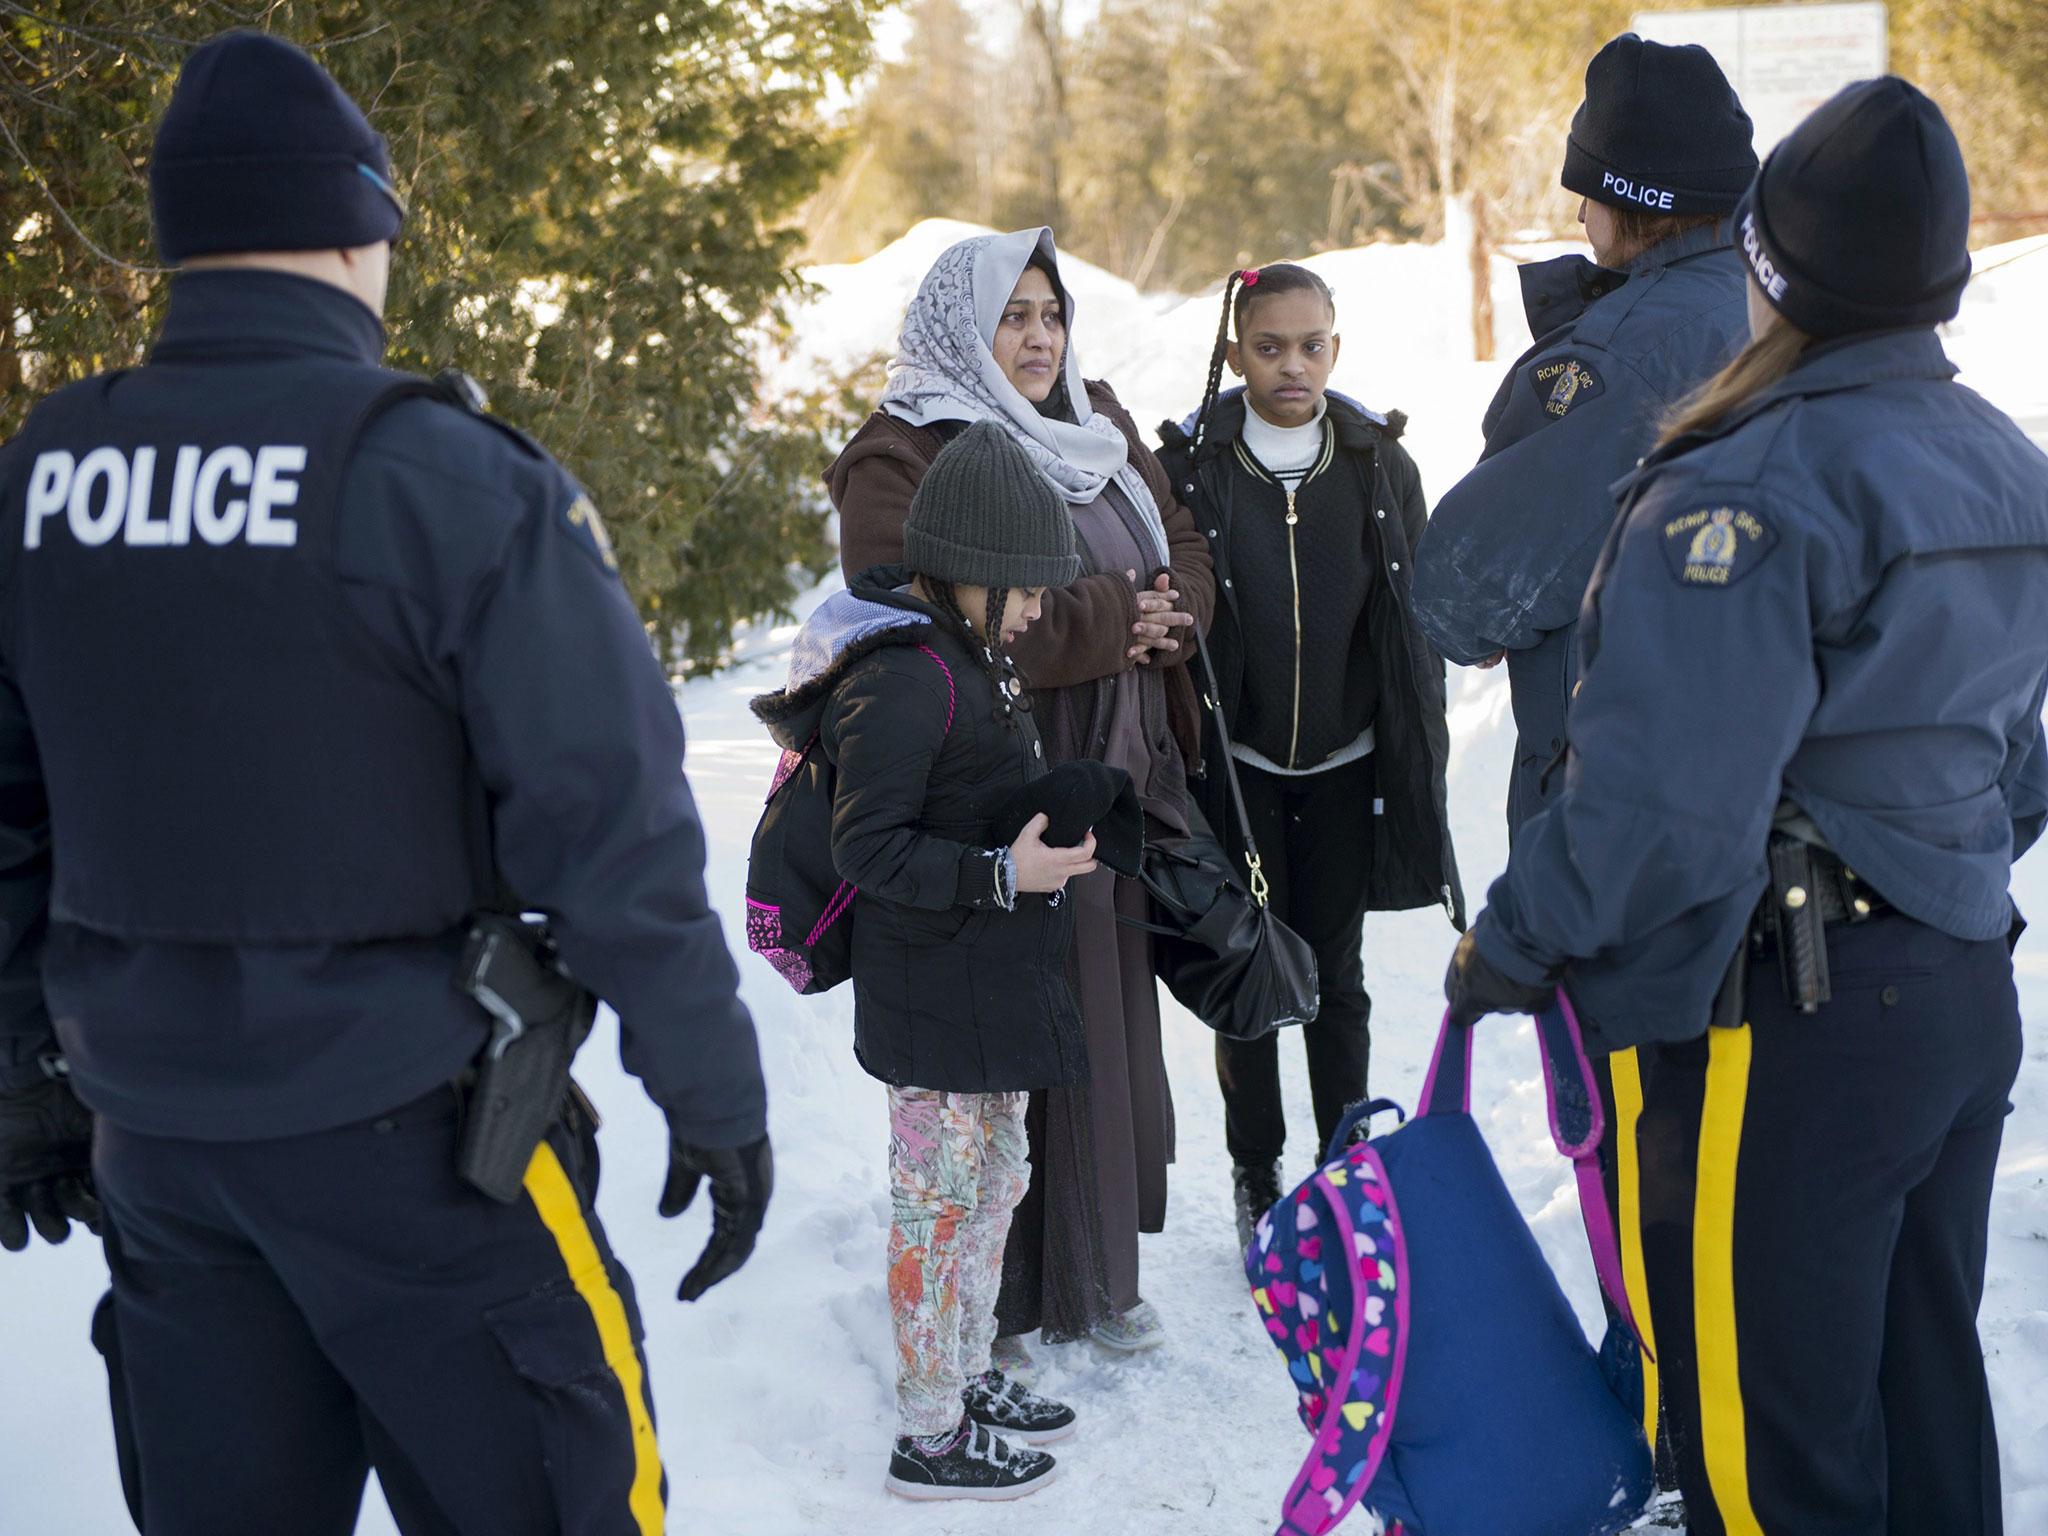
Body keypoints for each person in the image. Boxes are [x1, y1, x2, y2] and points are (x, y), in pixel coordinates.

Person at [0, 32, 772, 1535]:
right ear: (364, 230)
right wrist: (713, 1093)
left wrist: (18, 1073)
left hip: (160, 1152)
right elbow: (609, 832)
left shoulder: (47, 478)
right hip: (427, 1152)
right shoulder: (444, 479)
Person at [1445, 76, 2048, 1536]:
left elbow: (1665, 808)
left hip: (1790, 1024)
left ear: (1771, 258)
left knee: (1765, 1458)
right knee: (1920, 1420)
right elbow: (2018, 768)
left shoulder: (1754, 480)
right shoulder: (2006, 464)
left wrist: (1515, 939)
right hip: (1958, 995)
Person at [828, 228, 1215, 1361]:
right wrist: (1117, 619)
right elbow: (915, 600)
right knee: (1003, 1036)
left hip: (1107, 772)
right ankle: (991, 1301)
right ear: (962, 325)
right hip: (992, 791)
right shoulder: (904, 446)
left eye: (1051, 314)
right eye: (1014, 315)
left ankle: (1094, 1274)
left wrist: (1174, 610)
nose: (1039, 337)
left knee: (1100, 1019)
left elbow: (1177, 536)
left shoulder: (1095, 424)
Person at [756, 422, 1101, 1500]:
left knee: (996, 1179)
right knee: (938, 1200)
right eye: (1030, 589)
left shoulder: (968, 652)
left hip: (982, 977)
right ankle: (928, 1433)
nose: (1041, 610)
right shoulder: (904, 676)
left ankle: (961, 1368)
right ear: (975, 573)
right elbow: (871, 847)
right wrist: (1004, 875)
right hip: (929, 985)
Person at [1154, 263, 1463, 1247]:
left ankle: (1344, 1168)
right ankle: (1257, 1172)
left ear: (1335, 344)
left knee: (1334, 974)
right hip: (1236, 774)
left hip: (1342, 768)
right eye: (1270, 346)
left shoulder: (1375, 466)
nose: (1293, 365)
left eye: (1312, 344)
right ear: (1238, 349)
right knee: (1244, 972)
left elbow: (1412, 618)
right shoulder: (1196, 469)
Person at [1413, 32, 1758, 840]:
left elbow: (1467, 592)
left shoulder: (1623, 354)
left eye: (1588, 189)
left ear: (1638, 201)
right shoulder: (1794, 309)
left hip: (1617, 816)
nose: (1577, 212)